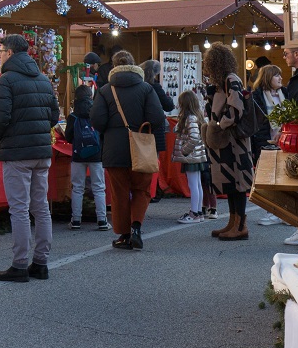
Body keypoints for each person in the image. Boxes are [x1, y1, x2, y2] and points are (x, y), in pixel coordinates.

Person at [0, 33, 61, 282]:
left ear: (9, 53)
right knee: (40, 207)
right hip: (41, 151)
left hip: (18, 152)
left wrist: (1, 139)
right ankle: (41, 262)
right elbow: (54, 116)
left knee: (19, 208)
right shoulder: (42, 79)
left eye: (0, 52)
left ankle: (20, 264)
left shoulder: (6, 81)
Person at [90, 50, 167, 251]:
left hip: (114, 150)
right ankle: (136, 228)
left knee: (119, 193)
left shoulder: (105, 90)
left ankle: (124, 235)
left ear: (113, 67)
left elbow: (97, 121)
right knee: (141, 190)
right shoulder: (146, 89)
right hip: (141, 147)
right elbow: (158, 118)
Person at [206, 43, 256, 241]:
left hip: (233, 140)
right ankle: (233, 222)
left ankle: (240, 226)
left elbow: (236, 109)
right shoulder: (222, 82)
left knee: (238, 182)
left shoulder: (230, 80)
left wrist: (219, 124)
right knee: (230, 183)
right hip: (227, 140)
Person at [64, 81, 109, 231]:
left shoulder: (73, 116)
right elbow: (103, 132)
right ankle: (102, 220)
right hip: (96, 155)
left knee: (77, 188)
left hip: (78, 155)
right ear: (91, 96)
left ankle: (76, 220)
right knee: (98, 187)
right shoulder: (96, 112)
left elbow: (68, 137)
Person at [172, 88, 209, 225]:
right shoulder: (195, 116)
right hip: (196, 155)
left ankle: (194, 213)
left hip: (191, 156)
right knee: (197, 184)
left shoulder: (190, 118)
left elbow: (193, 137)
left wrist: (184, 151)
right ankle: (197, 212)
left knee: (193, 184)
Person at [251, 63, 286, 161]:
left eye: (280, 75)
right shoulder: (256, 97)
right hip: (264, 142)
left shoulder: (285, 93)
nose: (280, 78)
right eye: (276, 75)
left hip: (285, 141)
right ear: (267, 77)